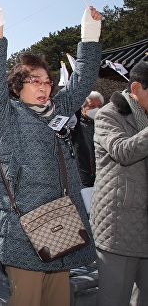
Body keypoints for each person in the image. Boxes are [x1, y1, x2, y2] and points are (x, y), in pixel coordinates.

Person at [0, 0, 101, 306]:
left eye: (47, 82)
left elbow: (82, 82)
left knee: (58, 300)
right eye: (35, 81)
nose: (44, 87)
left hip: (61, 223)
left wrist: (89, 37)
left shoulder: (59, 110)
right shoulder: (7, 116)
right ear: (18, 88)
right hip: (25, 228)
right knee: (28, 301)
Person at [90, 60, 148, 306]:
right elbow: (122, 151)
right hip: (119, 224)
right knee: (115, 297)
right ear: (136, 88)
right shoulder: (108, 114)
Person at [71, 91, 104, 187]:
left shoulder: (105, 125)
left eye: (100, 106)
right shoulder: (74, 126)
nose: (97, 109)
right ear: (82, 108)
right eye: (92, 106)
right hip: (83, 179)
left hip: (102, 179)